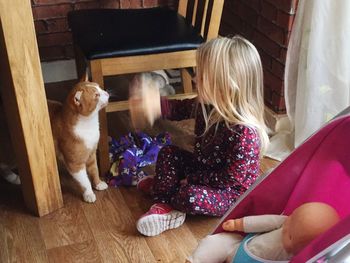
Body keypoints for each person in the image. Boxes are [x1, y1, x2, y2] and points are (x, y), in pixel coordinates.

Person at [129, 36, 269, 237]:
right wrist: (153, 103)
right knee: (168, 152)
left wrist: (193, 180)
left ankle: (171, 202)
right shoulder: (207, 104)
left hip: (230, 192)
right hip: (203, 169)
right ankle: (163, 199)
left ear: (226, 86)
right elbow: (179, 108)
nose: (195, 79)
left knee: (190, 196)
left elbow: (229, 179)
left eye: (201, 76)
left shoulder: (244, 133)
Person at [186, 202, 340, 263]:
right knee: (216, 242)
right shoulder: (284, 222)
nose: (286, 226)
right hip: (237, 247)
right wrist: (238, 224)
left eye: (290, 235)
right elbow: (263, 222)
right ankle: (196, 260)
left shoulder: (291, 259)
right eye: (292, 216)